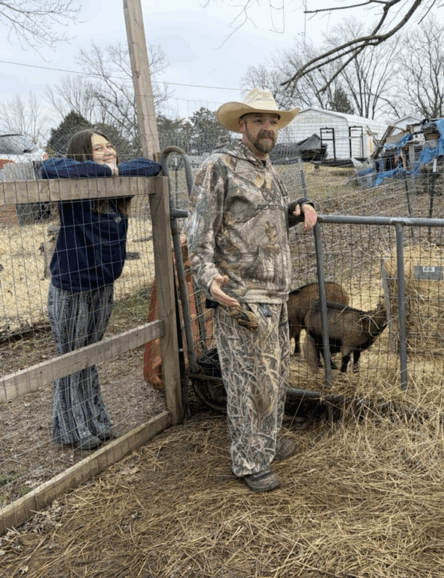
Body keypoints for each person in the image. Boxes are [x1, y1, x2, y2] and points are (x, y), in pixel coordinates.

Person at [186, 88, 317, 493]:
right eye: (258, 120)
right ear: (242, 125)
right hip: (241, 297)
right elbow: (198, 235)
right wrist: (208, 279)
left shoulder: (268, 169)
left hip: (277, 294)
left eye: (272, 120)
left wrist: (298, 209)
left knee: (274, 378)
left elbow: (264, 222)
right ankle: (249, 461)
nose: (267, 127)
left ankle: (267, 443)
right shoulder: (219, 166)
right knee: (248, 385)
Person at [41, 129, 162, 450]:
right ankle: (72, 429)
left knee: (90, 357)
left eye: (110, 146)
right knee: (71, 359)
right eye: (99, 149)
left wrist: (113, 170)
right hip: (70, 288)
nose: (109, 151)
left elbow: (151, 167)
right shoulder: (75, 187)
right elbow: (49, 167)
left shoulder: (117, 189)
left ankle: (96, 420)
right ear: (83, 155)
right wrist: (104, 170)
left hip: (103, 287)